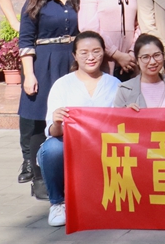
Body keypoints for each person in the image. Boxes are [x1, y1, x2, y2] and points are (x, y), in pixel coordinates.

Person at [0, 0, 68, 185]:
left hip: (62, 47)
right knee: (33, 104)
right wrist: (15, 23)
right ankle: (28, 160)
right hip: (35, 45)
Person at [17, 0, 85, 201]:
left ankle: (71, 175)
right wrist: (29, 74)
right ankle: (39, 177)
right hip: (44, 63)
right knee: (39, 120)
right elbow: (25, 41)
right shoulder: (36, 0)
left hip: (74, 63)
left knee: (72, 116)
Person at [35, 31, 120, 227]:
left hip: (104, 146)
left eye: (96, 51)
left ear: (104, 53)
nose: (91, 57)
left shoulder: (114, 84)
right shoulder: (62, 85)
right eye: (84, 52)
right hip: (71, 145)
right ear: (74, 55)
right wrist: (57, 122)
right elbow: (53, 132)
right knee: (51, 149)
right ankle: (58, 203)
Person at [113, 34, 165, 109]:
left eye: (157, 55)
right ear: (137, 60)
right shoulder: (124, 89)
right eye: (145, 57)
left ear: (163, 56)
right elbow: (117, 116)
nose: (152, 62)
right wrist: (126, 112)